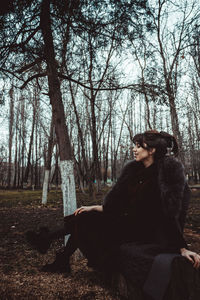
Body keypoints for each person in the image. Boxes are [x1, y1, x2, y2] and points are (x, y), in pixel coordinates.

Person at [26, 130, 200, 299]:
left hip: (145, 233)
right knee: (85, 216)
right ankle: (60, 256)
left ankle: (51, 244)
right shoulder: (134, 170)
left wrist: (181, 247)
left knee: (87, 221)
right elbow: (117, 205)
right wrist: (95, 207)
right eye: (135, 146)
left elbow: (171, 212)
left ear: (152, 150)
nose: (134, 149)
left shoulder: (166, 170)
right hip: (126, 224)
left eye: (139, 146)